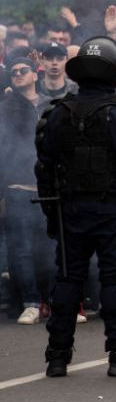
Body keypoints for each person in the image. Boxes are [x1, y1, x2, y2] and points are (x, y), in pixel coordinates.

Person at [34, 36, 116, 377]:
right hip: (111, 211)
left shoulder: (55, 113)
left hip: (70, 211)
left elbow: (44, 168)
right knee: (114, 280)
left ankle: (57, 357)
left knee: (67, 278)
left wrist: (52, 213)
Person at [0, 56, 55, 325]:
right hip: (17, 189)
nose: (19, 74)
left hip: (48, 189)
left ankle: (53, 301)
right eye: (14, 73)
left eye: (24, 70)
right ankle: (30, 303)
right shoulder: (4, 108)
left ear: (36, 74)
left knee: (52, 247)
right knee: (21, 249)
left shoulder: (51, 105)